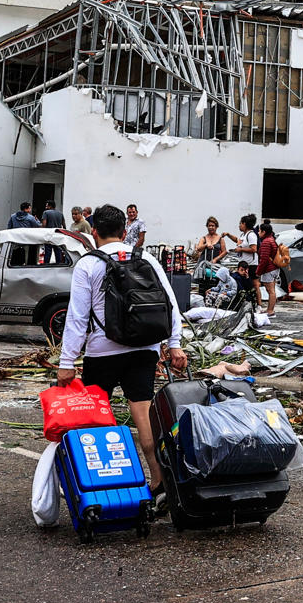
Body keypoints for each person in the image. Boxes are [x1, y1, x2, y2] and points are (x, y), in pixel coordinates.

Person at [55, 203, 186, 501]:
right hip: (144, 348)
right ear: (125, 231)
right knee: (143, 413)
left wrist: (67, 362)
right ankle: (158, 480)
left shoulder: (88, 264)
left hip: (102, 352)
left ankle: (103, 485)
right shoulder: (147, 258)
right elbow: (170, 304)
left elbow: (77, 317)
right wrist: (174, 344)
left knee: (95, 419)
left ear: (95, 232)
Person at [255, 220, 283, 317]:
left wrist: (258, 271)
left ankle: (270, 311)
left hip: (269, 269)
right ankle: (269, 310)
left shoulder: (266, 242)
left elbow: (264, 259)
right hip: (274, 268)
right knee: (271, 290)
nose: (258, 233)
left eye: (259, 231)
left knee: (270, 290)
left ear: (263, 232)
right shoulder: (271, 239)